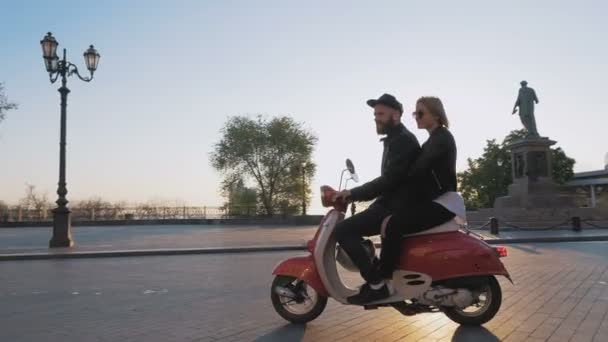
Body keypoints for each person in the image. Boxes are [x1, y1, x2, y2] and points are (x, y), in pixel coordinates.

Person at [348, 96, 462, 305]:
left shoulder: (441, 139)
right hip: (435, 200)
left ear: (436, 116)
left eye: (420, 113)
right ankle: (384, 279)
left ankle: (385, 281)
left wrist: (394, 179)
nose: (416, 117)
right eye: (414, 113)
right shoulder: (432, 138)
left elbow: (417, 171)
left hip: (442, 203)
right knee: (391, 222)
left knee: (392, 224)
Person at [333, 93, 426, 304]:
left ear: (396, 114)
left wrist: (353, 193)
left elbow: (389, 180)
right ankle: (378, 276)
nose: (376, 117)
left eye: (381, 114)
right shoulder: (395, 139)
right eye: (375, 114)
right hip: (392, 202)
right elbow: (390, 183)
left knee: (343, 230)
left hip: (399, 206)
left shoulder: (403, 141)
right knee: (353, 229)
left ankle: (377, 285)